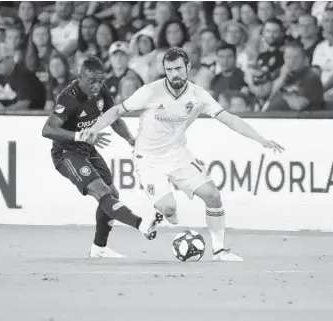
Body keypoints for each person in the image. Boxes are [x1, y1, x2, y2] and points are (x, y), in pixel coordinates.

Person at [86, 47, 284, 262]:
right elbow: (116, 111)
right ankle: (166, 212)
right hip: (148, 159)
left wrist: (261, 139)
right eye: (169, 69)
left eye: (179, 68)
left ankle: (219, 250)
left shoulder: (198, 95)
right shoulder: (150, 91)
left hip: (178, 154)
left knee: (212, 195)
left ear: (188, 67)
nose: (174, 74)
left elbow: (229, 119)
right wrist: (95, 128)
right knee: (169, 208)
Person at [41, 56, 162, 258]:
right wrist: (80, 136)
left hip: (86, 149)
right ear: (80, 77)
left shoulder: (101, 91)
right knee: (102, 191)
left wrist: (131, 140)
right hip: (66, 153)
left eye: (100, 80)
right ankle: (142, 225)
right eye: (92, 81)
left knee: (112, 194)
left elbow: (113, 119)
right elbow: (47, 129)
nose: (97, 85)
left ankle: (99, 248)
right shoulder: (69, 97)